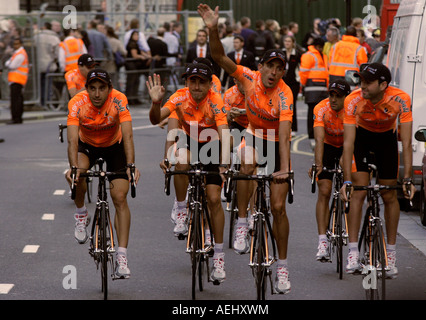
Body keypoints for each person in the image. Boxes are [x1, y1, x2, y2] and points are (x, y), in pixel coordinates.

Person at [198, 4, 294, 294]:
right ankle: (242, 221)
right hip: (254, 135)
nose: (275, 73)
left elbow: (286, 135)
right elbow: (218, 56)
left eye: (280, 68)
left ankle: (283, 268)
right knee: (247, 163)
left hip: (277, 143)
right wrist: (213, 29)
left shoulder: (285, 94)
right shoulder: (248, 79)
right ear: (261, 67)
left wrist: (285, 168)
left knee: (278, 207)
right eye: (271, 66)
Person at [147, 63, 230, 284]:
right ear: (187, 82)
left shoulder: (216, 100)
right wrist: (156, 102)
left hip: (212, 144)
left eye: (201, 81)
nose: (196, 86)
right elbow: (156, 119)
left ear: (210, 84)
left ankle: (219, 257)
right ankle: (182, 209)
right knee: (181, 159)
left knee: (213, 198)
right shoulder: (180, 97)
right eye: (192, 81)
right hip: (189, 142)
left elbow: (224, 133)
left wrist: (224, 163)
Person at [339, 63, 416, 277]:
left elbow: (407, 142)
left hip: (386, 141)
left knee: (389, 195)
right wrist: (346, 181)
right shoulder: (353, 99)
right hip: (362, 138)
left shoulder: (401, 99)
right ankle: (353, 251)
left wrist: (408, 177)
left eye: (368, 82)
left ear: (383, 85)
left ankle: (390, 254)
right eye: (361, 81)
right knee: (359, 191)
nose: (362, 85)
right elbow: (347, 144)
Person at [65, 69, 140, 279]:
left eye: (102, 88)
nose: (97, 94)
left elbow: (128, 135)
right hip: (87, 145)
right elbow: (72, 140)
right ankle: (81, 214)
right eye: (92, 88)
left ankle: (122, 257)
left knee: (119, 197)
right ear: (86, 89)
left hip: (114, 146)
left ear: (109, 88)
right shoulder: (77, 102)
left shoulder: (119, 100)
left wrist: (131, 165)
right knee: (78, 174)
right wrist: (72, 167)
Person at [307, 79, 350, 261]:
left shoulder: (352, 109)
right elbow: (318, 139)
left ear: (346, 97)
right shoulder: (321, 108)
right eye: (331, 95)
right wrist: (318, 165)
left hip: (348, 146)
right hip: (328, 146)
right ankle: (322, 240)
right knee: (324, 191)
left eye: (338, 96)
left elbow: (353, 141)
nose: (333, 99)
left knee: (353, 188)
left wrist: (346, 159)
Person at [299, 37, 329, 148]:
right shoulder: (308, 55)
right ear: (316, 46)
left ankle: (319, 135)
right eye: (320, 46)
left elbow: (326, 72)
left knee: (322, 112)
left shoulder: (324, 56)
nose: (321, 48)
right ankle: (312, 135)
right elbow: (303, 72)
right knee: (312, 112)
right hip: (312, 88)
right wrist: (303, 85)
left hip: (322, 89)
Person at [33, 22, 60, 107]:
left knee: (39, 85)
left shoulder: (36, 37)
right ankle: (46, 102)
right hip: (49, 64)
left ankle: (40, 101)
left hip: (37, 65)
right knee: (48, 84)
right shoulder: (54, 38)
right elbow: (57, 52)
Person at [282, 35, 303, 136]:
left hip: (294, 83)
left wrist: (301, 85)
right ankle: (282, 126)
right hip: (283, 82)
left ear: (293, 43)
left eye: (289, 41)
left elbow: (300, 69)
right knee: (282, 105)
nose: (287, 43)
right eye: (285, 41)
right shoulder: (281, 53)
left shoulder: (297, 54)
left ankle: (293, 128)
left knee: (292, 104)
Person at [5, 37, 28, 124]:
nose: (15, 46)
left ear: (21, 44)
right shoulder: (17, 53)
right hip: (16, 79)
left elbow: (11, 65)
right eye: (14, 44)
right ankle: (16, 117)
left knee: (15, 100)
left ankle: (16, 118)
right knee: (17, 99)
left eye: (17, 44)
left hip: (17, 79)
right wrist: (9, 63)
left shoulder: (20, 54)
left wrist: (9, 63)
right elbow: (8, 63)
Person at [125, 30, 151, 105]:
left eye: (137, 35)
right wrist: (142, 57)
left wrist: (147, 56)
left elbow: (141, 52)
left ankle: (134, 98)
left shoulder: (136, 44)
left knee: (136, 81)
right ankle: (130, 98)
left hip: (135, 66)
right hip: (131, 66)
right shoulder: (132, 44)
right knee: (132, 82)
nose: (137, 36)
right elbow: (135, 55)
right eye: (135, 35)